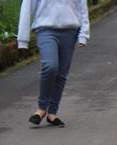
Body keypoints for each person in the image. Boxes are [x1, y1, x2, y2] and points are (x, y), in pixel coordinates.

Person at [17, 0, 89, 128]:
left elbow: (82, 8)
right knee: (50, 66)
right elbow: (27, 8)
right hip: (45, 29)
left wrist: (83, 34)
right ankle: (41, 108)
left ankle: (52, 113)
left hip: (70, 32)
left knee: (61, 74)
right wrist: (23, 39)